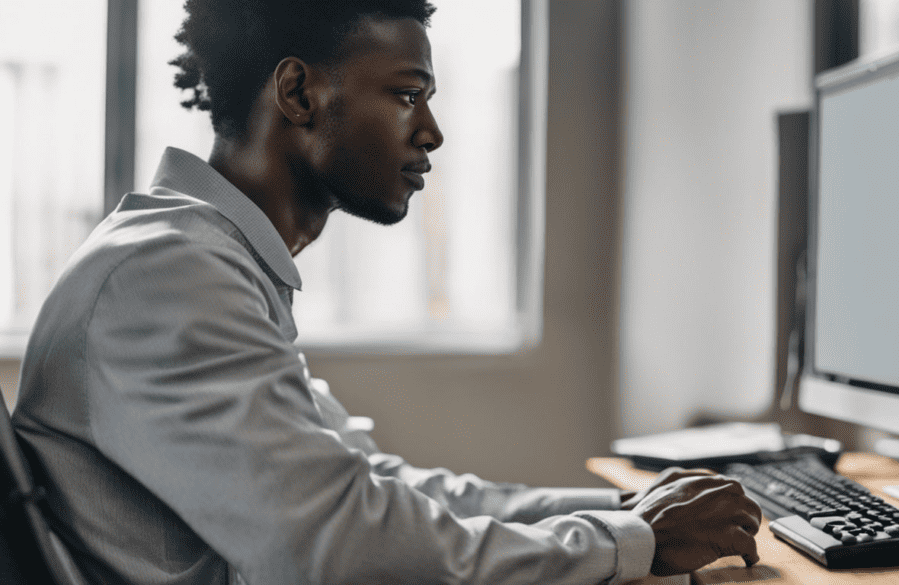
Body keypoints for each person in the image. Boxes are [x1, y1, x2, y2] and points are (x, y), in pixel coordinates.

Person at [12, 1, 762, 583]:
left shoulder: (204, 260)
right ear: (299, 92)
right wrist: (628, 542)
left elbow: (376, 486)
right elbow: (344, 548)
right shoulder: (170, 277)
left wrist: (622, 513)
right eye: (408, 95)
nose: (431, 132)